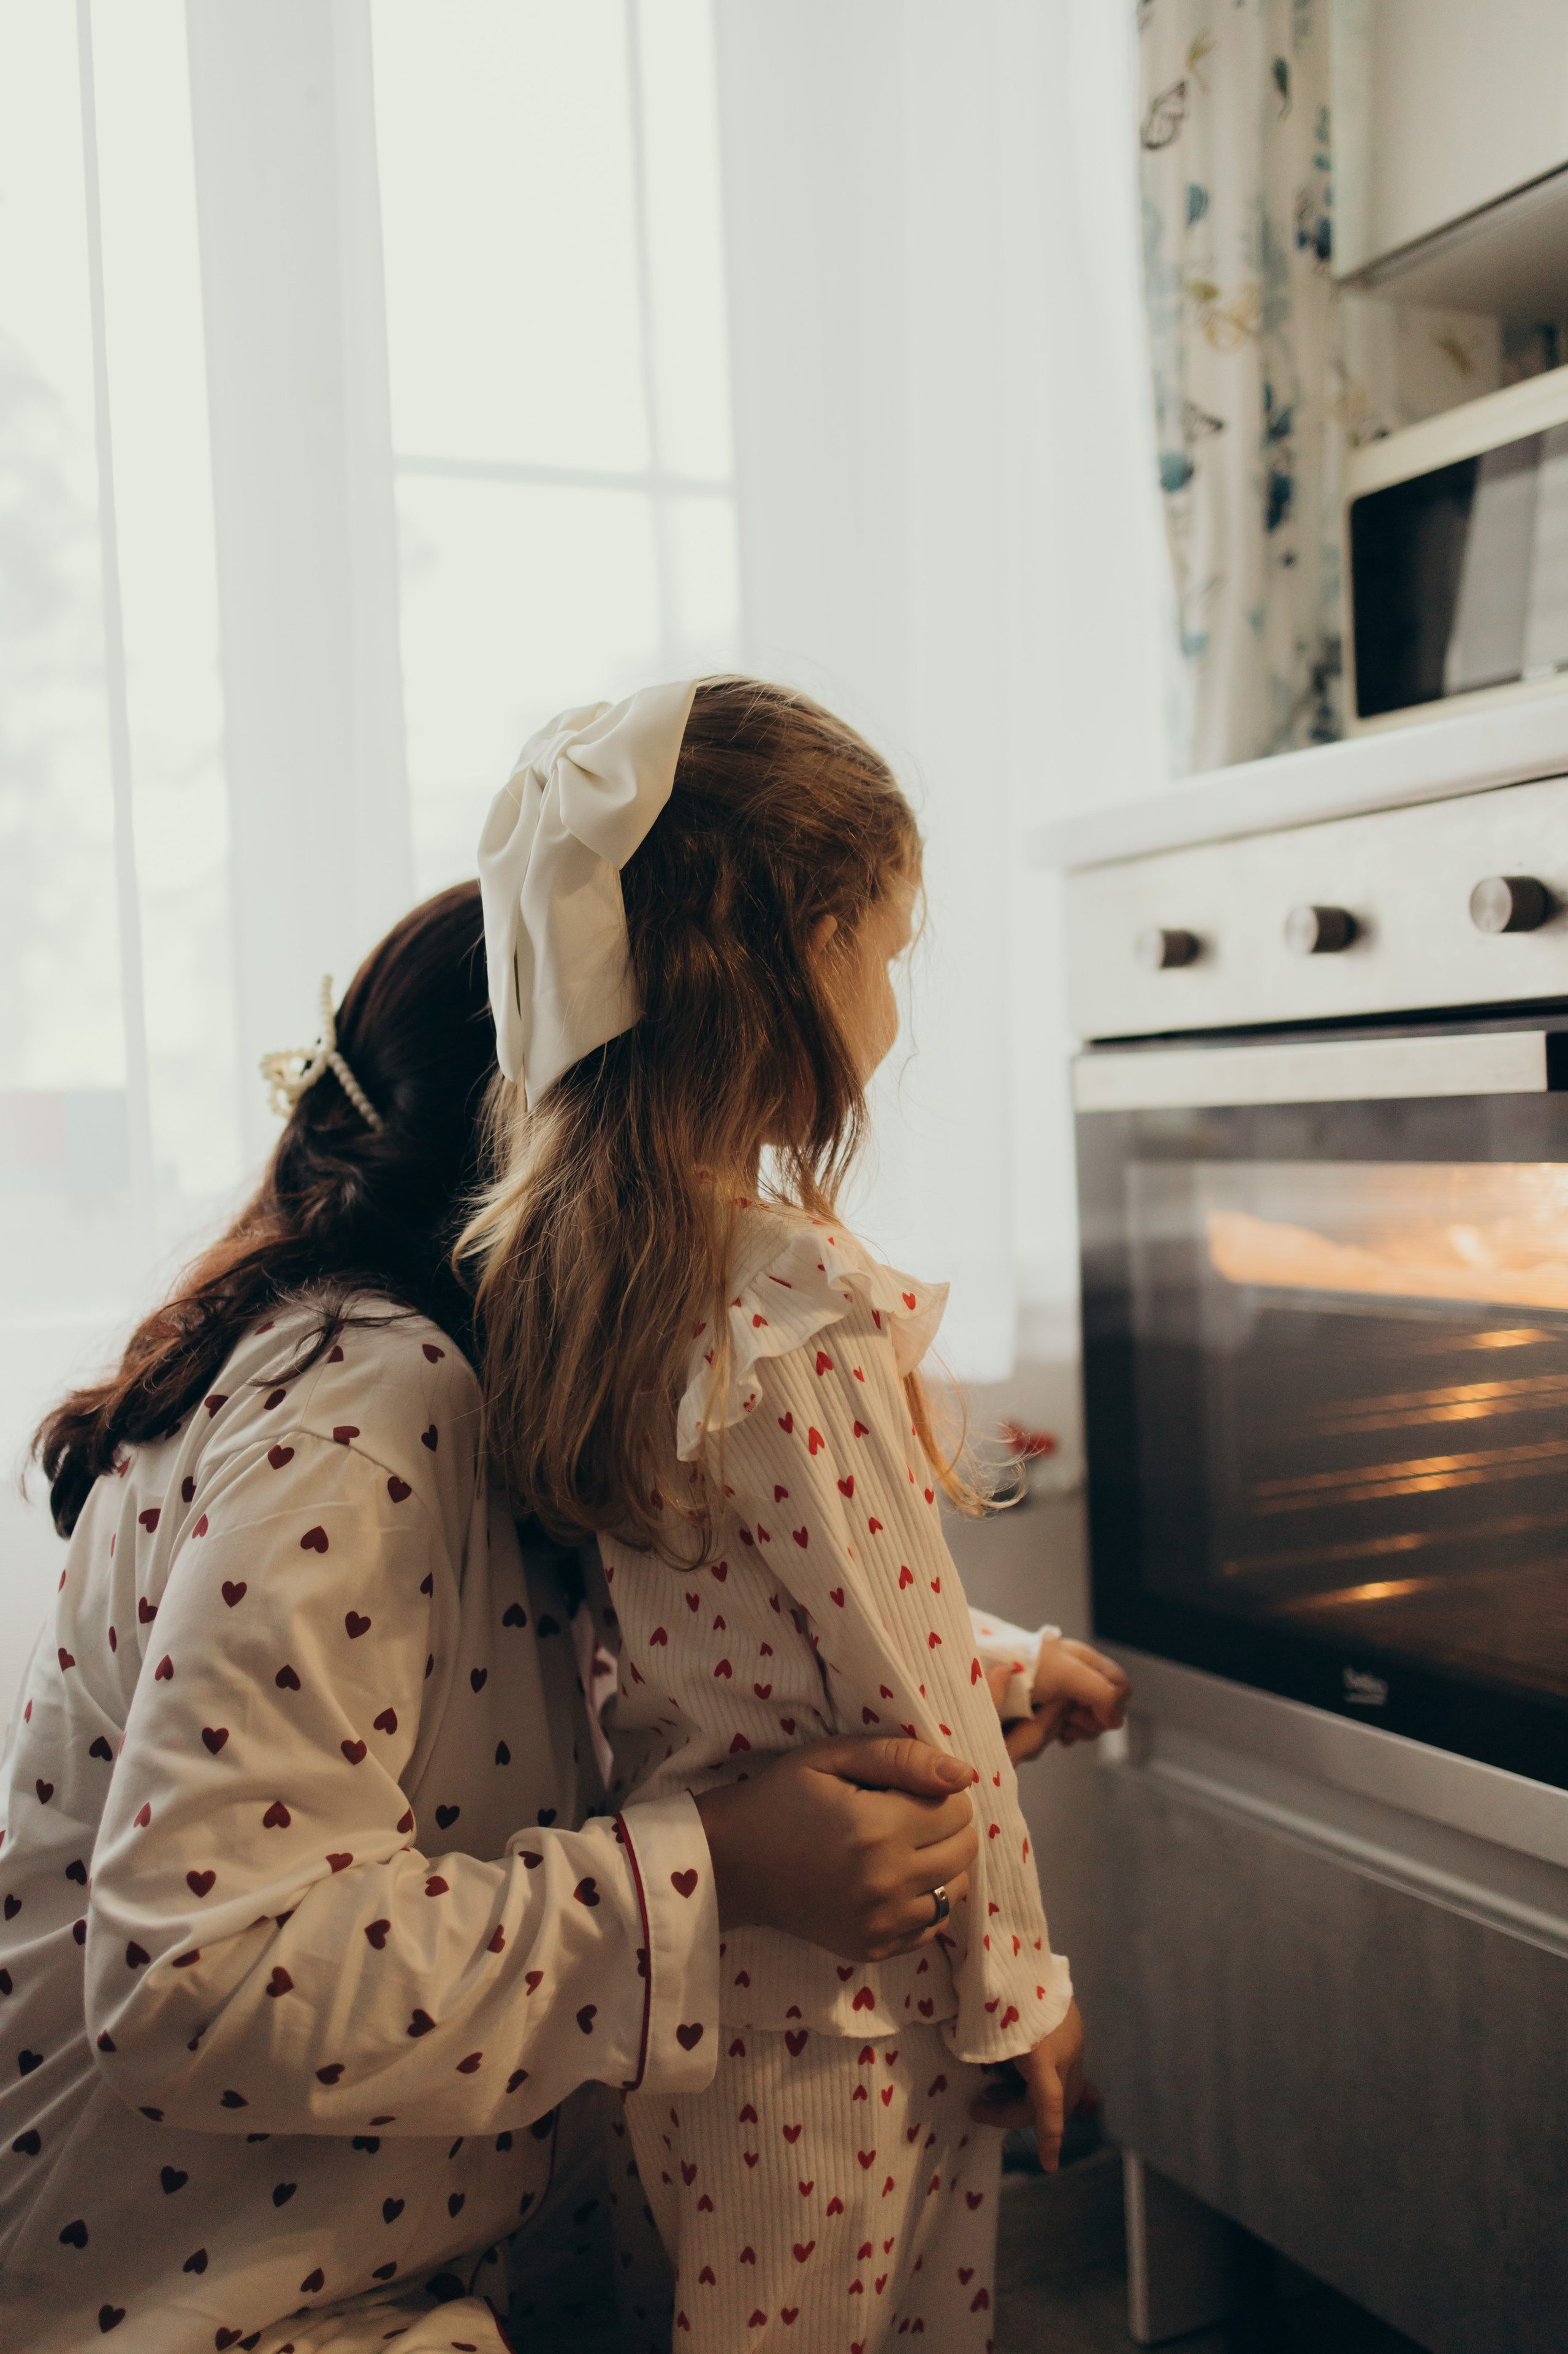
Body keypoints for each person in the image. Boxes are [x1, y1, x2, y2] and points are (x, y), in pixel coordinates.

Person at [0, 880, 1095, 2354]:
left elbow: (592, 1642)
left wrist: (969, 1672)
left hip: (431, 2260)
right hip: (188, 2301)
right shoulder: (361, 1415)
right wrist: (711, 1876)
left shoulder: (495, 1391)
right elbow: (202, 1981)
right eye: (714, 1159)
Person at [466, 677, 1129, 2352]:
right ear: (810, 949)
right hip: (854, 2001)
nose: (895, 1002)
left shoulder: (611, 1279)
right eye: (891, 955)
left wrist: (1013, 1654)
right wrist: (1025, 1999)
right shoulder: (780, 1313)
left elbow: (775, 1628)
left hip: (709, 1975)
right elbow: (898, 1685)